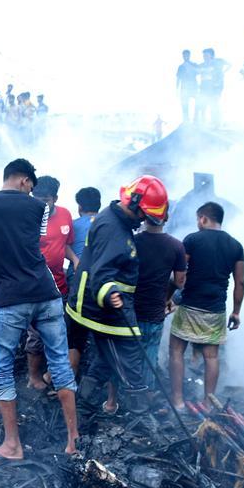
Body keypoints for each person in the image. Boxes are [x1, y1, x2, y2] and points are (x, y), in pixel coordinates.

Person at [0, 158, 79, 464]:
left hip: (11, 296)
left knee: (0, 367)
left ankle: (12, 445)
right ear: (24, 181)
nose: (33, 191)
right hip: (47, 292)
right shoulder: (39, 209)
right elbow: (33, 248)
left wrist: (0, 257)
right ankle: (73, 440)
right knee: (59, 361)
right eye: (32, 185)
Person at [67, 175, 169, 418]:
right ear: (133, 204)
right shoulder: (113, 229)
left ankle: (82, 408)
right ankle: (142, 418)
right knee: (129, 359)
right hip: (102, 308)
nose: (144, 221)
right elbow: (102, 273)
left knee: (105, 358)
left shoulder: (116, 219)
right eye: (144, 215)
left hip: (107, 306)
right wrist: (110, 292)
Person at [168, 202, 244, 410]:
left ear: (203, 218)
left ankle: (177, 401)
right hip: (216, 309)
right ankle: (208, 403)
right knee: (211, 356)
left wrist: (171, 297)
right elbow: (240, 282)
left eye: (198, 220)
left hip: (190, 306)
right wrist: (236, 312)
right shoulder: (236, 246)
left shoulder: (192, 240)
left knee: (176, 350)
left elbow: (180, 276)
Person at [127, 202, 187, 409]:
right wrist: (167, 297)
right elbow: (180, 282)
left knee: (127, 354)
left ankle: (122, 398)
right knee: (149, 355)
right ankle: (146, 397)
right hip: (154, 311)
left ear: (144, 217)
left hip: (130, 310)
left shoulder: (133, 242)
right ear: (166, 218)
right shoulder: (176, 246)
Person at [25, 176, 78, 390]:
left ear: (55, 198)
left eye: (45, 200)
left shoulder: (65, 215)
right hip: (34, 288)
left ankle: (52, 373)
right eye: (36, 198)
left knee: (58, 332)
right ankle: (33, 377)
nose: (39, 204)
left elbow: (64, 245)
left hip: (59, 285)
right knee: (36, 336)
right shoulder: (26, 216)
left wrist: (74, 259)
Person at [196, 48, 230, 128]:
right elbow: (196, 70)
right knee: (203, 104)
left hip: (214, 88)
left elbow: (229, 64)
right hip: (204, 87)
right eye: (203, 55)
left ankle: (217, 123)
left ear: (211, 55)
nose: (204, 57)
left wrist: (224, 71)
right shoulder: (203, 64)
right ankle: (205, 123)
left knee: (214, 104)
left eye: (206, 55)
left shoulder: (217, 63)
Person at [176, 49, 199, 123]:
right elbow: (178, 78)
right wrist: (177, 88)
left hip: (193, 86)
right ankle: (186, 119)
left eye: (187, 55)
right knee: (184, 104)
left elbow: (200, 72)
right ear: (182, 56)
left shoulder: (194, 64)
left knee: (198, 102)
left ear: (189, 55)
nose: (185, 56)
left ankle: (196, 118)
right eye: (184, 55)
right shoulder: (181, 66)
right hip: (184, 87)